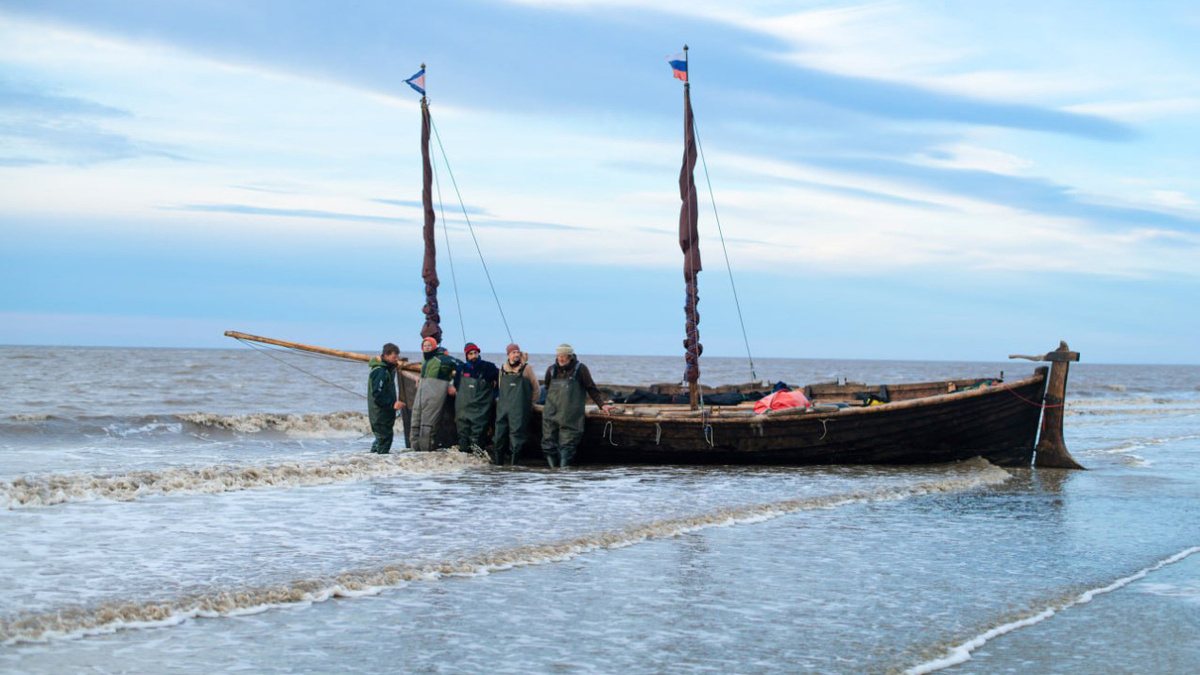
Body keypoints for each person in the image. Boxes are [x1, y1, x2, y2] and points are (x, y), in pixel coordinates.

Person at [541, 344, 612, 468]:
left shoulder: (580, 369)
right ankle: (553, 473)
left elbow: (591, 388)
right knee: (548, 444)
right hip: (550, 414)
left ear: (570, 356)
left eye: (563, 356)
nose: (561, 358)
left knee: (567, 446)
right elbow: (547, 388)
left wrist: (602, 405)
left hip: (571, 416)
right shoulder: (551, 370)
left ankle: (563, 473)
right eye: (559, 355)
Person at [493, 342, 539, 466]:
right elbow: (500, 387)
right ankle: (499, 466)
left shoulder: (526, 369)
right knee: (498, 438)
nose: (516, 355)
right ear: (508, 355)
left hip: (519, 410)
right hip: (503, 409)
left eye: (518, 352)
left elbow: (536, 389)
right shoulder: (502, 369)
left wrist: (528, 404)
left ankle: (514, 468)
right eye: (513, 353)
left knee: (516, 439)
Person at [410, 336, 458, 452]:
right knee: (415, 423)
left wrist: (452, 384)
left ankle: (426, 454)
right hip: (421, 394)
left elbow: (461, 367)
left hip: (434, 393)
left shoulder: (443, 359)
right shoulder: (426, 361)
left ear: (435, 347)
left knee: (427, 426)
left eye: (429, 345)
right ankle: (415, 454)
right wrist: (419, 377)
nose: (426, 348)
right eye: (424, 346)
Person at [455, 342, 499, 455]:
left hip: (481, 409)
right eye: (470, 354)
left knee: (477, 437)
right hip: (463, 410)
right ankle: (465, 465)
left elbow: (500, 382)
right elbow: (456, 385)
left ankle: (478, 467)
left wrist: (495, 395)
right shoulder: (461, 369)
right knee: (463, 438)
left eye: (475, 353)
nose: (474, 356)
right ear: (466, 356)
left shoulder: (489, 367)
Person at [367, 343, 405, 454]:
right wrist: (392, 404)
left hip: (384, 413)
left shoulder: (387, 369)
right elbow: (377, 394)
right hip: (380, 413)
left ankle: (372, 461)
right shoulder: (380, 371)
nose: (396, 360)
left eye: (397, 357)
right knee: (385, 439)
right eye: (394, 357)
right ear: (386, 356)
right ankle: (379, 464)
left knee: (380, 439)